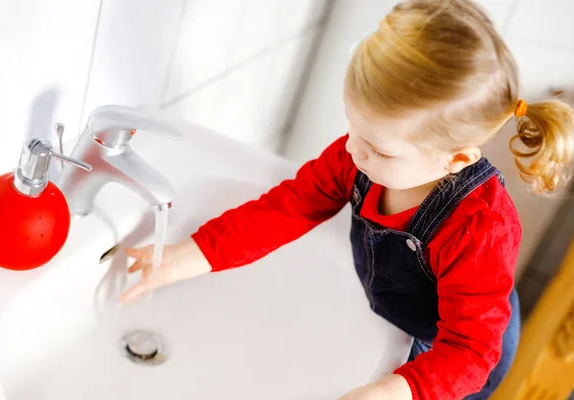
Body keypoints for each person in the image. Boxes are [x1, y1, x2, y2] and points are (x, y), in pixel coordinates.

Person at [120, 0, 574, 399]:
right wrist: (186, 257)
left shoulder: (482, 228)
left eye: (378, 148)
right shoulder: (357, 156)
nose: (352, 149)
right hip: (402, 318)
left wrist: (398, 389)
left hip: (453, 355)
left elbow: (470, 351)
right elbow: (286, 208)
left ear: (455, 158)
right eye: (354, 127)